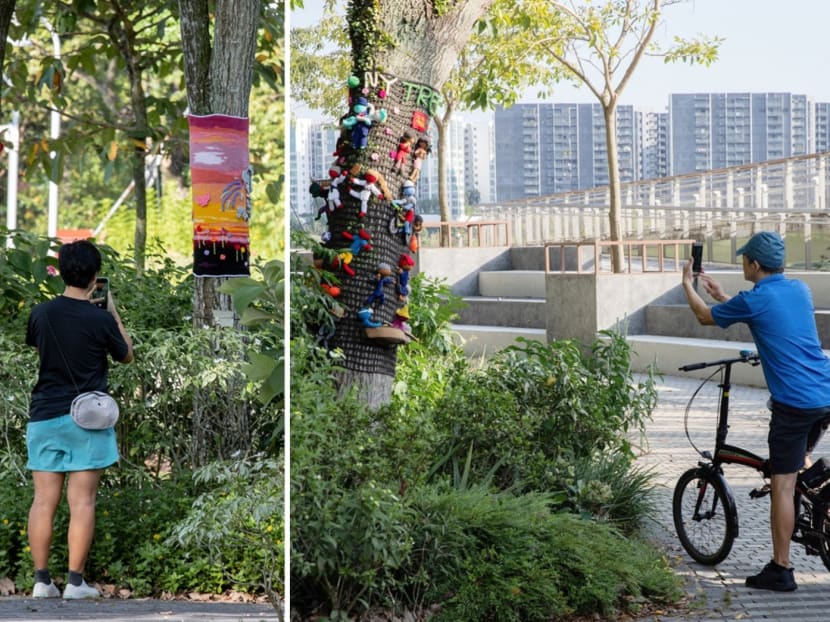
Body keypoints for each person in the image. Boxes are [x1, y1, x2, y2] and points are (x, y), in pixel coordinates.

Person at [682, 230, 830, 592]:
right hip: (824, 391)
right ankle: (818, 501)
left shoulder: (755, 298)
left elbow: (704, 318)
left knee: (782, 484)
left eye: (745, 259)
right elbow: (774, 320)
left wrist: (687, 284)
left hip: (794, 403)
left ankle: (781, 569)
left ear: (756, 264)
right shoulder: (799, 290)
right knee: (799, 459)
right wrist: (722, 296)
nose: (743, 263)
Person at [25, 240, 134, 599]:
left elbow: (42, 351)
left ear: (62, 271)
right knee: (82, 502)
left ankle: (42, 582)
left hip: (43, 417)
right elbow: (126, 355)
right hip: (86, 419)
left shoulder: (41, 314)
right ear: (94, 275)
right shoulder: (100, 318)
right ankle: (75, 583)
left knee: (43, 501)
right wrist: (112, 312)